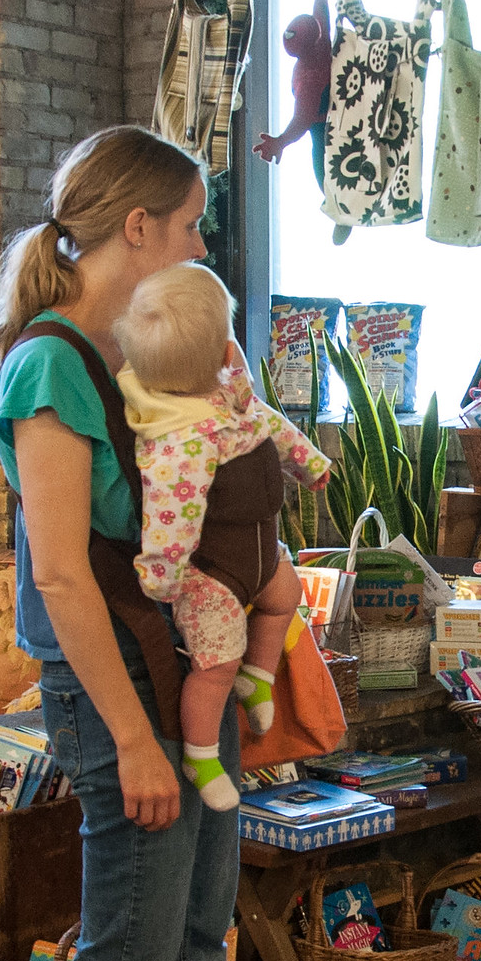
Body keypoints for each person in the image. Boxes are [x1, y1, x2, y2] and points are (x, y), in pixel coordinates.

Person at [0, 126, 301, 961]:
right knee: (121, 957)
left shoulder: (148, 349)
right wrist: (128, 740)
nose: (201, 244)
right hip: (113, 682)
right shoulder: (52, 364)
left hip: (178, 670)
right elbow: (64, 576)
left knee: (195, 928)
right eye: (190, 223)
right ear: (136, 229)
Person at [110, 261, 331, 810]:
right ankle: (201, 753)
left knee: (285, 597)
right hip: (209, 575)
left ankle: (259, 675)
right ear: (228, 352)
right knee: (214, 667)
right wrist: (163, 576)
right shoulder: (177, 440)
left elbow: (273, 426)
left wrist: (309, 463)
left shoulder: (230, 397)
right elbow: (170, 519)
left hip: (261, 553)